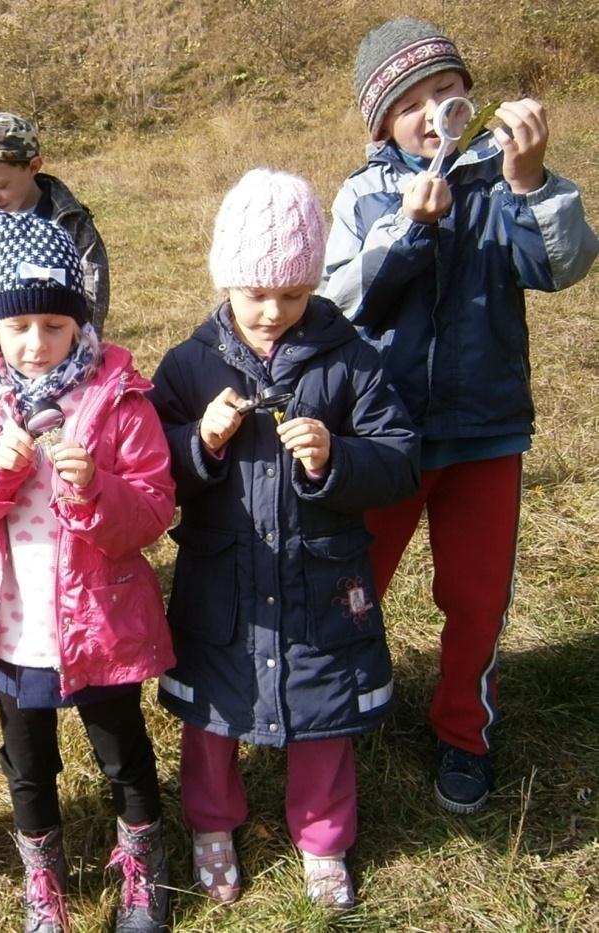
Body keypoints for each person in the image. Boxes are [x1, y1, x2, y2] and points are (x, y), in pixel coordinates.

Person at [321, 18, 599, 815]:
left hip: (485, 431)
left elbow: (560, 266)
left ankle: (463, 731)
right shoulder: (364, 193)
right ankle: (339, 705)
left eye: (445, 90)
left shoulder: (501, 177)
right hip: (385, 435)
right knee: (352, 584)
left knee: (475, 598)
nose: (431, 109)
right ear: (381, 122)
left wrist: (531, 181)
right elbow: (341, 301)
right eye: (408, 101)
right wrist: (410, 227)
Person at [150, 169, 420, 910]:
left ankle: (324, 839)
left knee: (323, 711)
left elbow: (399, 457)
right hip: (222, 585)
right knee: (209, 715)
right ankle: (210, 825)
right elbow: (146, 462)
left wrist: (336, 457)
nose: (272, 311)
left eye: (292, 294)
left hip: (319, 584)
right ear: (225, 280)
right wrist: (198, 441)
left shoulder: (350, 358)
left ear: (314, 283)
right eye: (253, 293)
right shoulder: (186, 364)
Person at [0, 211, 175, 932]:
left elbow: (154, 507)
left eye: (54, 326)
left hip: (100, 625)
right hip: (12, 628)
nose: (36, 345)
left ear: (79, 323)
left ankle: (142, 866)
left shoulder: (115, 396)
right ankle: (45, 880)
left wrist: (96, 488)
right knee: (27, 764)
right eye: (18, 327)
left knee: (122, 752)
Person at [0, 112, 110, 361]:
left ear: (33, 167)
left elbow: (92, 306)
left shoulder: (71, 221)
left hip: (55, 360)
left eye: (0, 186)